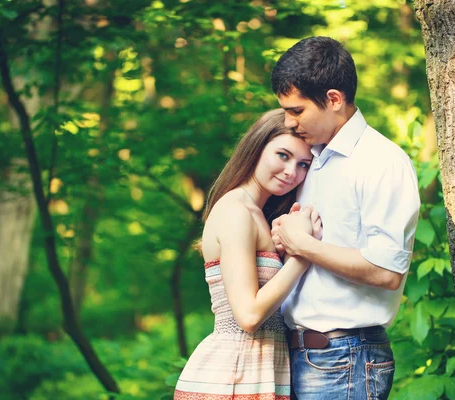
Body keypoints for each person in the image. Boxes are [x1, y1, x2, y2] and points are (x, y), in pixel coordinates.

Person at [270, 36, 421, 399]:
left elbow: (386, 271)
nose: (289, 122)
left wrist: (302, 245)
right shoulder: (309, 159)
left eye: (297, 110)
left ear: (334, 100)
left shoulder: (380, 161)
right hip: (297, 356)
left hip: (345, 360)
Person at [174, 108, 322, 400]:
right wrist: (303, 253)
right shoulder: (235, 211)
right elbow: (249, 315)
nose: (292, 172)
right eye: (283, 155)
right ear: (256, 147)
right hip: (233, 373)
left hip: (257, 371)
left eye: (304, 164)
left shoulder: (256, 215)